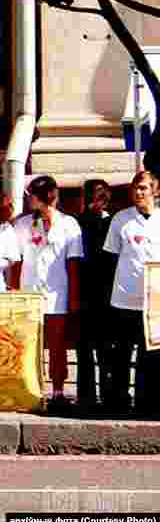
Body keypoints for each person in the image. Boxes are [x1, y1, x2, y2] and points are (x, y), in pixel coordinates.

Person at [11, 175, 83, 410]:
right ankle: (32, 390)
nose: (28, 198)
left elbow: (73, 264)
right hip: (29, 293)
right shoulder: (22, 224)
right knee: (29, 346)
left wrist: (73, 298)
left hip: (57, 294)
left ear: (45, 197)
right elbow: (17, 261)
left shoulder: (69, 224)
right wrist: (14, 291)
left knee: (57, 347)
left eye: (32, 194)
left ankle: (59, 392)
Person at [104, 170, 160, 417]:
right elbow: (110, 256)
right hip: (124, 299)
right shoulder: (120, 220)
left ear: (155, 191)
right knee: (122, 353)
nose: (139, 192)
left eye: (144, 188)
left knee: (152, 356)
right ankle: (118, 402)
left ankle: (147, 403)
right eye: (136, 188)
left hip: (155, 300)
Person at [77, 179, 118, 414]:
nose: (95, 201)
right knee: (84, 347)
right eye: (92, 196)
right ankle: (86, 396)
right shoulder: (77, 223)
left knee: (105, 348)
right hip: (84, 290)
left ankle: (109, 393)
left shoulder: (113, 222)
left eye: (101, 196)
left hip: (107, 291)